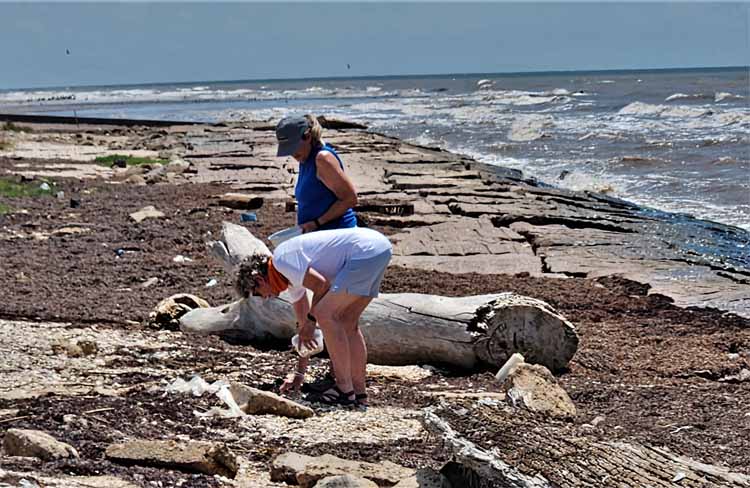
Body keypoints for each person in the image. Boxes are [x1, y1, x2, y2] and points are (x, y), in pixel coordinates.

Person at [236, 227, 392, 407]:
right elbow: (305, 331)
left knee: (325, 315)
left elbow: (322, 286)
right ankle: (359, 393)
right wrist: (300, 374)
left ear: (259, 279)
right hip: (379, 248)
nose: (264, 298)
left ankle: (344, 389)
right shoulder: (290, 279)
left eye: (257, 293)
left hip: (365, 250)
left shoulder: (281, 261)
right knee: (348, 322)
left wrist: (312, 321)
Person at [275, 114, 358, 233]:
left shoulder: (322, 159)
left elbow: (350, 199)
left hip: (337, 232)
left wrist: (317, 223)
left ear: (307, 137)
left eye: (293, 147)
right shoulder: (304, 158)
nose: (292, 153)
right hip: (316, 233)